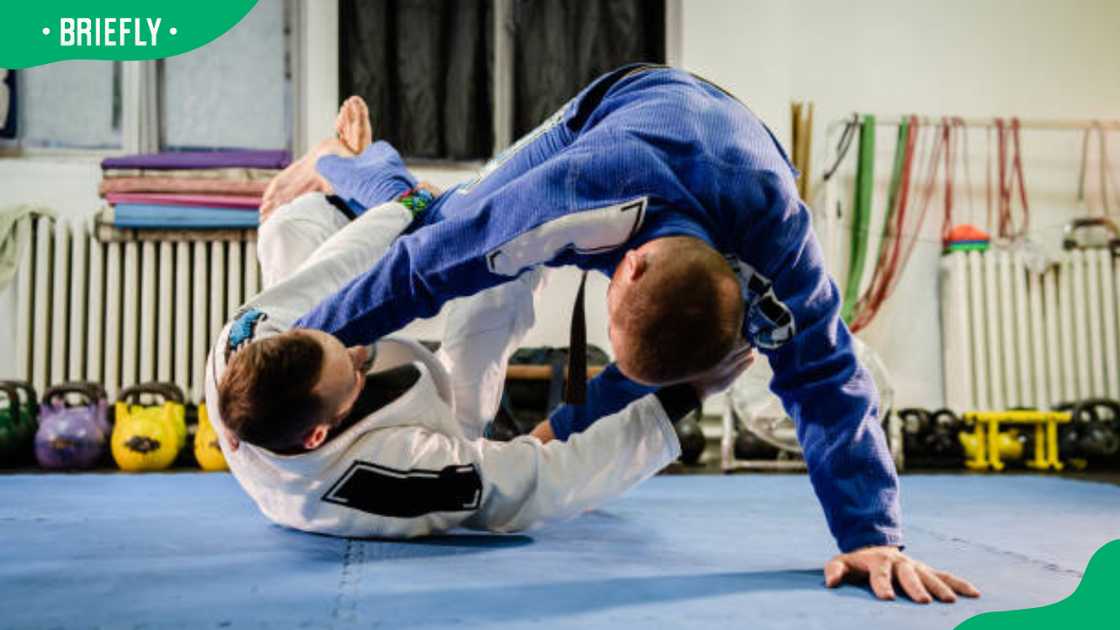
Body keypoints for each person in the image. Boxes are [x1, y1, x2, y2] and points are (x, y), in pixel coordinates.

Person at [266, 64, 980, 604]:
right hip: (621, 107)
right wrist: (293, 352)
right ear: (626, 264)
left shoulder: (781, 254)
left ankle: (544, 441)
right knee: (439, 221)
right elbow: (422, 270)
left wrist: (870, 537)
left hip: (743, 153)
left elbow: (827, 378)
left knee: (697, 348)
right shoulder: (568, 196)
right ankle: (348, 162)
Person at [204, 100, 753, 540]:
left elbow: (340, 265)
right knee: (505, 280)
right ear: (319, 433)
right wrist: (685, 396)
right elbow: (543, 487)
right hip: (441, 416)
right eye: (347, 365)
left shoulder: (247, 343)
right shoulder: (388, 478)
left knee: (289, 229)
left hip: (325, 360)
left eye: (333, 339)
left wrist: (403, 199)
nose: (355, 345)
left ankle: (348, 170)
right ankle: (514, 431)